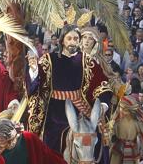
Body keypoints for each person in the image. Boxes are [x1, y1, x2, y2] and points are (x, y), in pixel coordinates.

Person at [27, 24, 112, 153]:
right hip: (55, 109)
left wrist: (103, 104)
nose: (73, 42)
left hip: (80, 107)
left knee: (95, 136)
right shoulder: (49, 59)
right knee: (51, 140)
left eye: (76, 39)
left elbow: (100, 83)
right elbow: (39, 81)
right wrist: (33, 71)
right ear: (62, 40)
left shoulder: (86, 60)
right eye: (69, 38)